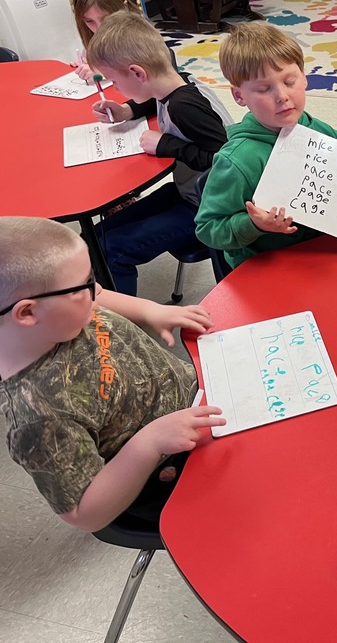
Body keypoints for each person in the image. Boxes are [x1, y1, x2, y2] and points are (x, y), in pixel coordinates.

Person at [0, 216, 225, 532]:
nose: (97, 290)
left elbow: (99, 296)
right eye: (85, 284)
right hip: (165, 469)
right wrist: (148, 444)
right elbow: (86, 514)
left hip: (196, 399)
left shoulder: (60, 314)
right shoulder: (38, 419)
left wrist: (150, 310)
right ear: (27, 312)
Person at [195, 21, 337, 268]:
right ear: (239, 96)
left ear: (304, 78)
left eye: (289, 82)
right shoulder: (237, 161)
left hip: (326, 256)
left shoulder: (324, 133)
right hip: (268, 268)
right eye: (264, 89)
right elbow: (208, 228)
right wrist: (253, 224)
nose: (282, 96)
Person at [87, 11, 231, 295]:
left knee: (111, 249)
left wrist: (166, 145)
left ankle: (126, 330)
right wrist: (127, 109)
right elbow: (154, 98)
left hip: (210, 208)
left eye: (115, 82)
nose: (115, 89)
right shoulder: (176, 84)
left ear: (138, 73)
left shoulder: (184, 107)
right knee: (93, 237)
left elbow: (225, 158)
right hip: (189, 194)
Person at [70, 0, 141, 83]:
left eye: (106, 19)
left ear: (123, 7)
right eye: (89, 21)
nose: (99, 29)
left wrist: (103, 72)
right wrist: (85, 65)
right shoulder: (92, 38)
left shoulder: (140, 36)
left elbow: (144, 76)